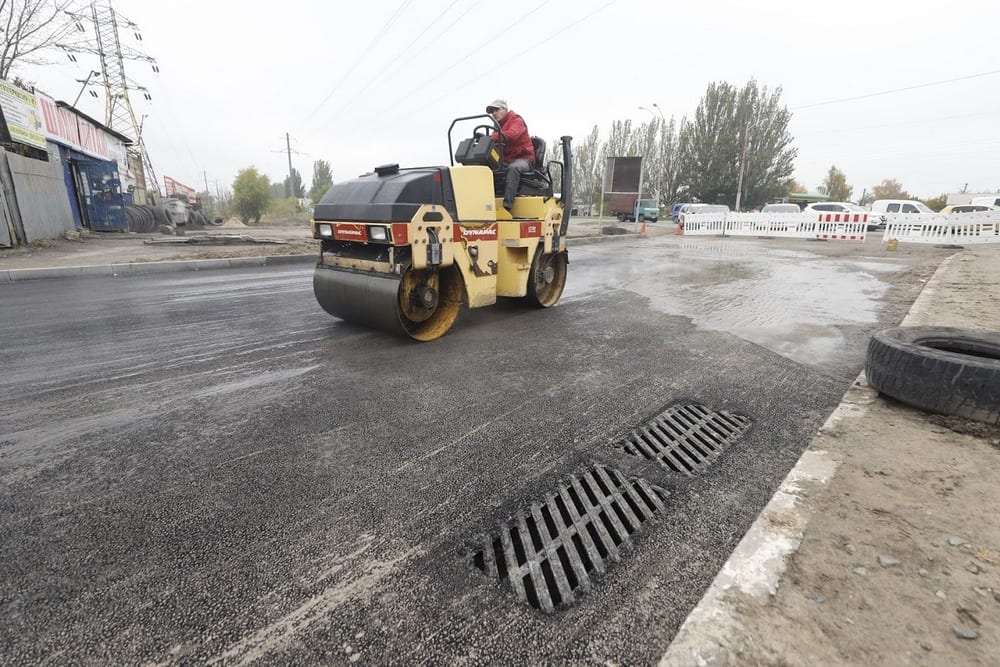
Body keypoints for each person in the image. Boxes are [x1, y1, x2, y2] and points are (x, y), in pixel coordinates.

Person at [486, 99, 534, 214]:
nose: (494, 113)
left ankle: (507, 207)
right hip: (507, 160)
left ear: (505, 109)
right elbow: (494, 138)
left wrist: (493, 137)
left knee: (514, 168)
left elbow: (512, 134)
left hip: (524, 159)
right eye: (492, 111)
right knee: (486, 169)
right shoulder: (497, 126)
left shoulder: (516, 120)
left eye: (496, 110)